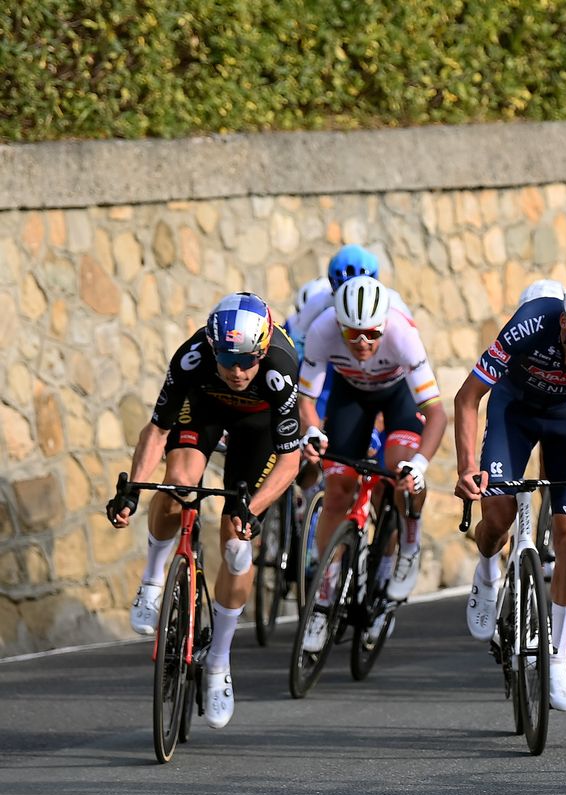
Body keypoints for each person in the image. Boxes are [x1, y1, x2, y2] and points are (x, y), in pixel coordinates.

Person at [108, 292, 302, 729]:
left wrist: (251, 510)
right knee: (178, 484)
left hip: (258, 430)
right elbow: (157, 431)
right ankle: (153, 580)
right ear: (212, 348)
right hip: (204, 411)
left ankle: (218, 664)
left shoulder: (280, 370)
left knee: (237, 542)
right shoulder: (192, 358)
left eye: (247, 361)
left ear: (264, 349)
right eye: (227, 360)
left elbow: (290, 461)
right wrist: (134, 490)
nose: (237, 371)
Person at [454, 276, 566, 712]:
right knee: (496, 519)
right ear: (564, 327)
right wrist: (466, 468)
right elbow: (467, 398)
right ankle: (487, 571)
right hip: (513, 410)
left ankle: (556, 657)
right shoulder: (530, 323)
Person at [296, 277, 447, 646]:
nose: (362, 343)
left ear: (384, 324)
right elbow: (306, 400)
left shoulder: (402, 334)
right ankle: (323, 599)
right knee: (337, 491)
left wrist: (420, 466)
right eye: (353, 334)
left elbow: (438, 414)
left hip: (398, 397)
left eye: (371, 334)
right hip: (351, 396)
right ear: (339, 325)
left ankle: (407, 543)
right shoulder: (322, 330)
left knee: (399, 475)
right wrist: (313, 432)